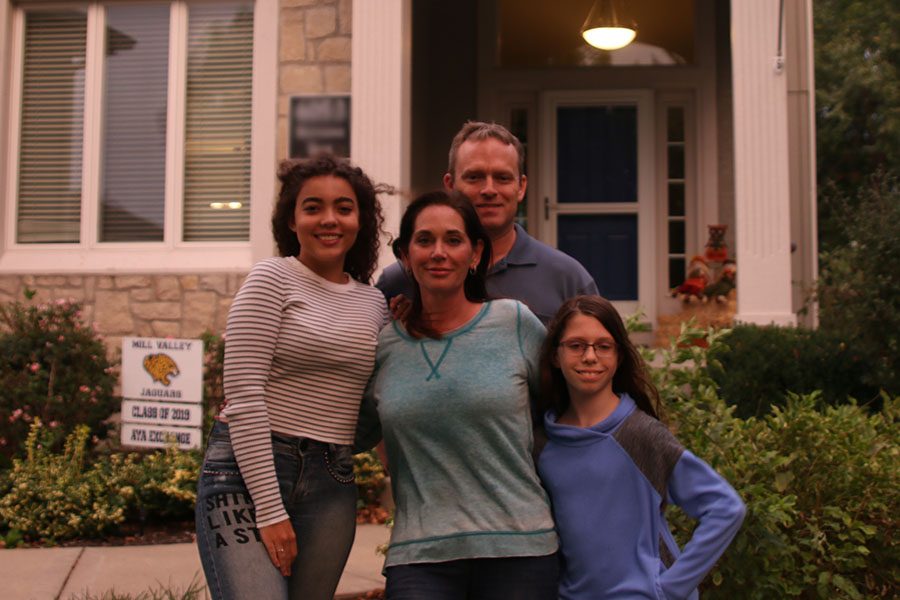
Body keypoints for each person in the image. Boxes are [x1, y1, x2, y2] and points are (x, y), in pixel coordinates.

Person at [195, 155, 390, 600]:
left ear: (361, 220)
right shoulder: (271, 280)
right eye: (313, 207)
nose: (329, 219)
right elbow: (243, 398)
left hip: (331, 478)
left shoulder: (374, 304)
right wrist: (269, 509)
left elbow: (371, 402)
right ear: (291, 219)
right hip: (247, 475)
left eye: (343, 207)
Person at [356, 190, 559, 599]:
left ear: (474, 252)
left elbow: (569, 410)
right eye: (425, 240)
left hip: (520, 548)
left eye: (453, 240)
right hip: (420, 554)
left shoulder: (515, 323)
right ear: (406, 256)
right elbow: (350, 430)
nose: (438, 252)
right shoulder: (384, 346)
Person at [536, 295, 746, 600]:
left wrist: (670, 590)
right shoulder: (543, 445)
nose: (590, 356)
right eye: (576, 345)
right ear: (556, 355)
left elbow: (726, 508)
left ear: (619, 356)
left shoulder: (640, 435)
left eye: (603, 346)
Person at [377, 121, 598, 323]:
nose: (489, 190)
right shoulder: (400, 281)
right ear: (450, 184)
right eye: (474, 177)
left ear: (520, 187)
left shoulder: (567, 279)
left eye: (502, 178)